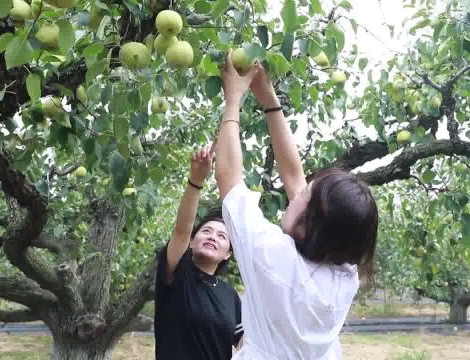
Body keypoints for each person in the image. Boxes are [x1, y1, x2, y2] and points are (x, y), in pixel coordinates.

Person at [214, 54, 379, 359]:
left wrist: (233, 100)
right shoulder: (345, 275)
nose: (298, 191)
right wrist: (268, 96)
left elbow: (228, 178)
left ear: (309, 224)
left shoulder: (272, 257)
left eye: (305, 196)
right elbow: (293, 176)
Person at [154, 148, 243, 360]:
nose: (213, 236)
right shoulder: (177, 274)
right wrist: (196, 181)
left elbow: (244, 342)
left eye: (222, 236)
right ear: (192, 243)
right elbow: (182, 230)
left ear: (228, 254)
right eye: (206, 231)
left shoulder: (229, 294)